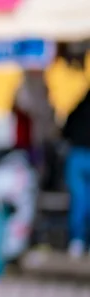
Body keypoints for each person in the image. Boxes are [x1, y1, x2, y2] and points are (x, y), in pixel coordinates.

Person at [62, 89, 90, 259]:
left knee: (79, 199)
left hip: (77, 156)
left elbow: (66, 130)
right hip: (80, 155)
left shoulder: (78, 107)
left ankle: (77, 240)